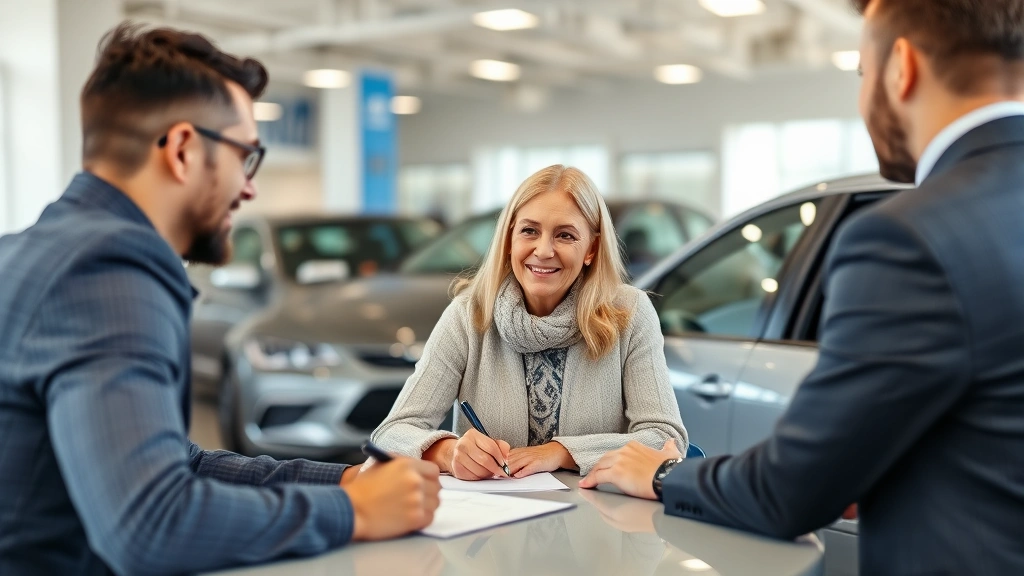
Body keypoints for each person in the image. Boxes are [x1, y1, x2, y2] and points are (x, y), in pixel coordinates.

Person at [581, 0, 1024, 573]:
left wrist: (663, 474)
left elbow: (791, 492)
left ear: (901, 67)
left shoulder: (905, 238)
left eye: (862, 73)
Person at [0, 24, 440, 576]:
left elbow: (176, 464)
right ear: (183, 149)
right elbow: (149, 523)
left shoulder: (36, 251)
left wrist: (346, 480)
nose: (249, 186)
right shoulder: (109, 269)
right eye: (245, 155)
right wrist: (352, 513)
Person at [371, 165, 687, 480]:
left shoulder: (629, 312)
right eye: (529, 231)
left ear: (591, 248)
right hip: (493, 520)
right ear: (509, 239)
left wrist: (560, 452)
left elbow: (665, 438)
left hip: (596, 520)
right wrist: (446, 451)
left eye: (565, 235)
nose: (544, 250)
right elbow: (391, 433)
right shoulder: (469, 314)